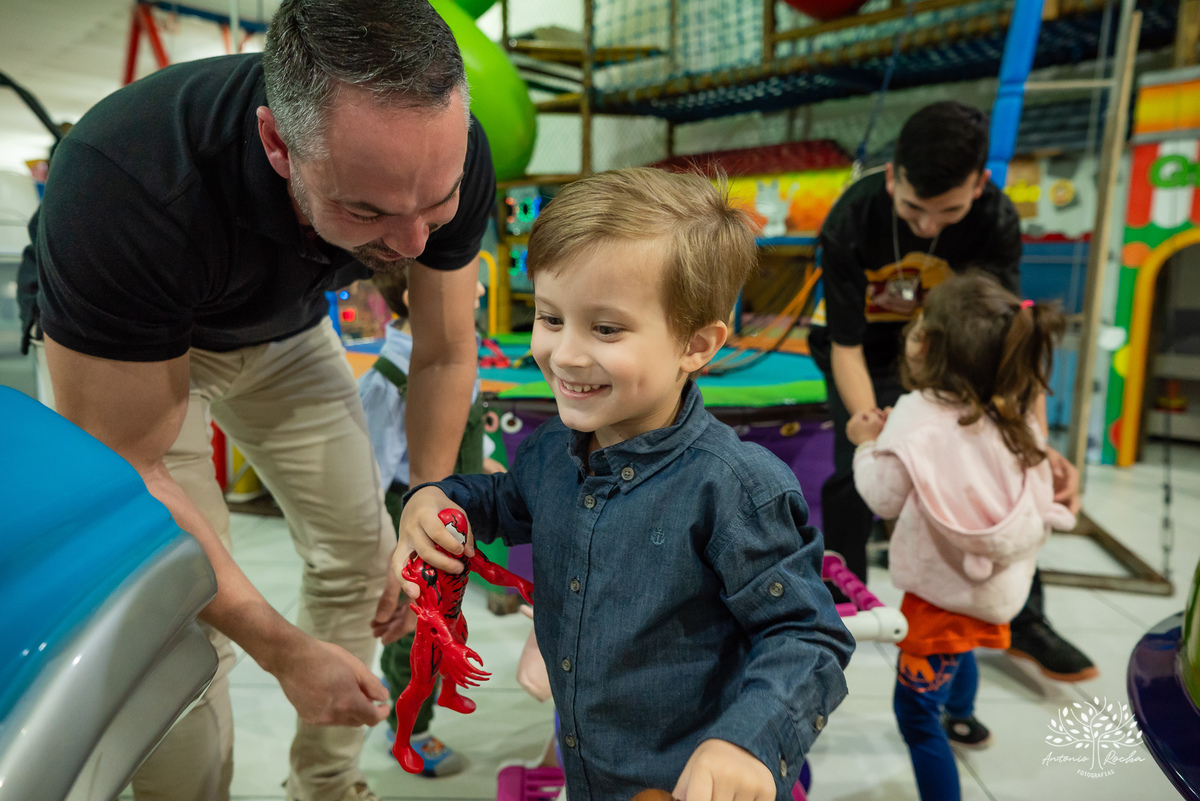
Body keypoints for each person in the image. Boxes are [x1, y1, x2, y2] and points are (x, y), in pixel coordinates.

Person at [19, 0, 495, 799]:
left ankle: (326, 784)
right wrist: (284, 651)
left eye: (436, 207)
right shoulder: (125, 179)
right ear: (278, 143)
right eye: (368, 211)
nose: (413, 244)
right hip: (129, 352)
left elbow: (445, 352)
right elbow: (138, 472)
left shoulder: (440, 156)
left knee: (365, 557)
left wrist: (426, 504)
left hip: (281, 335)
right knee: (173, 624)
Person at [391, 167, 855, 801]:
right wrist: (437, 498)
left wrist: (750, 738)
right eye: (550, 318)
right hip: (589, 766)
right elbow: (505, 503)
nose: (566, 354)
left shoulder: (737, 489)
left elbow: (807, 633)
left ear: (696, 344)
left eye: (606, 329)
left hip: (684, 780)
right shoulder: (552, 449)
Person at [808, 100, 1096, 682]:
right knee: (851, 472)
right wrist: (872, 427)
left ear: (979, 185)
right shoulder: (852, 218)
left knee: (1004, 467)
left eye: (949, 211)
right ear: (892, 176)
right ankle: (838, 601)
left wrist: (1035, 444)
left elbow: (1009, 341)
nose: (928, 226)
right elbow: (845, 346)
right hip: (866, 350)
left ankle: (1026, 620)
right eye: (914, 207)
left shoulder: (995, 219)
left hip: (954, 352)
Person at [847, 273, 1076, 801]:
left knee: (915, 716)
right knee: (967, 640)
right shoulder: (1015, 410)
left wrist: (867, 443)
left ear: (925, 343)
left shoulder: (915, 413)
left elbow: (882, 497)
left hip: (939, 593)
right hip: (997, 588)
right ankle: (966, 716)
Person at [357, 267, 503, 777]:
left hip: (448, 515)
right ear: (416, 298)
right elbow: (372, 472)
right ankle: (411, 731)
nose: (482, 290)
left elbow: (460, 430)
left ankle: (424, 709)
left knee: (447, 621)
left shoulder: (461, 358)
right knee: (413, 632)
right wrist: (380, 551)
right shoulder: (389, 379)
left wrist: (482, 464)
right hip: (406, 518)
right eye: (471, 281)